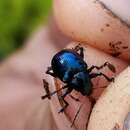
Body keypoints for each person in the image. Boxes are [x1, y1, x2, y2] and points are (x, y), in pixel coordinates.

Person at [0, 1, 128, 130]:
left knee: (95, 70)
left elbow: (96, 70)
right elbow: (96, 70)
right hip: (65, 58)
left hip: (65, 59)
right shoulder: (76, 76)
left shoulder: (76, 76)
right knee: (96, 70)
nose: (87, 89)